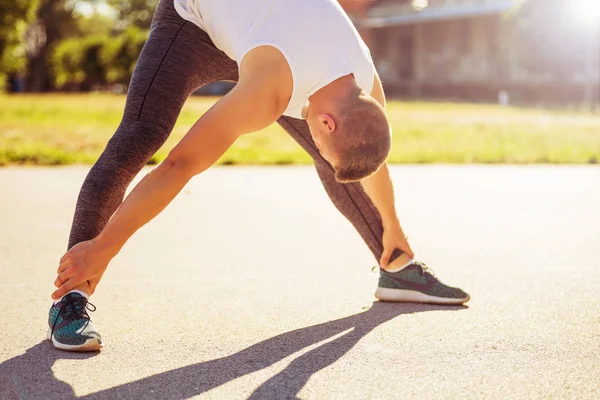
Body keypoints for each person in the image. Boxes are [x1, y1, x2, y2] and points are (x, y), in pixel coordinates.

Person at [48, 0, 469, 352]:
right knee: (141, 135)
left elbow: (368, 155)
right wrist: (104, 247)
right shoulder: (271, 86)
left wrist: (395, 227)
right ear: (326, 122)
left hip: (263, 30)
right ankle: (71, 295)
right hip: (194, 21)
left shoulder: (364, 85)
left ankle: (396, 262)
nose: (316, 141)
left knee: (340, 160)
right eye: (320, 138)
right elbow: (180, 165)